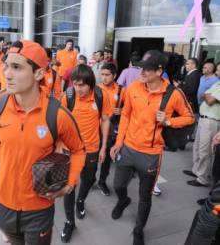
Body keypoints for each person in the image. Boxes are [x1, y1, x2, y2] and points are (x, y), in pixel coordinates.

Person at [0, 40, 86, 245]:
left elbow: (79, 150)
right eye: (7, 66)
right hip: (4, 205)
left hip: (39, 209)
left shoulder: (58, 115)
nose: (7, 74)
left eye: (17, 67)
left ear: (39, 74)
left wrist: (69, 185)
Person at [110, 50, 194, 245]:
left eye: (147, 68)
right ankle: (123, 200)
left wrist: (168, 121)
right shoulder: (133, 88)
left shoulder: (173, 94)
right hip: (128, 148)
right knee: (118, 185)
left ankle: (139, 230)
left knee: (144, 196)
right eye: (141, 67)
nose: (142, 71)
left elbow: (189, 117)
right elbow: (125, 116)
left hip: (151, 154)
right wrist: (118, 142)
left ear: (159, 71)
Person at [60, 64, 112, 243]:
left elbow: (105, 121)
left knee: (88, 179)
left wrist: (104, 147)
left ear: (90, 83)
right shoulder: (67, 96)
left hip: (92, 149)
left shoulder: (101, 95)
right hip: (71, 151)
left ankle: (81, 201)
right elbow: (61, 122)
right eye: (76, 84)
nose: (79, 89)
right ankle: (69, 222)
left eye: (83, 85)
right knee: (69, 186)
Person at [184, 79, 220, 187]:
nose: (218, 71)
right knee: (197, 146)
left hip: (211, 120)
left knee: (205, 150)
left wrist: (207, 95)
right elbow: (202, 95)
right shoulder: (217, 83)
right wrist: (207, 95)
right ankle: (196, 171)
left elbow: (209, 100)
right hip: (204, 117)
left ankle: (203, 178)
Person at [97, 62, 125, 196]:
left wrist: (122, 110)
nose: (104, 78)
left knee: (107, 158)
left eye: (107, 75)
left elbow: (129, 109)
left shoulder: (121, 90)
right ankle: (89, 178)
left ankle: (102, 181)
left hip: (112, 129)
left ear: (114, 75)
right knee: (91, 156)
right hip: (95, 128)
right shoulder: (96, 89)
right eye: (102, 75)